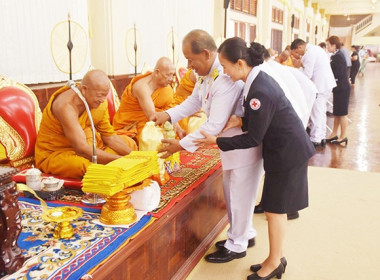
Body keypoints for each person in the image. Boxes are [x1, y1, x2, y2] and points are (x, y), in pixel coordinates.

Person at [195, 38, 315, 280]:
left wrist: (216, 142)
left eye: (226, 67)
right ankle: (274, 258)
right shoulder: (255, 80)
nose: (225, 73)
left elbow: (253, 138)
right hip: (285, 149)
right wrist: (242, 120)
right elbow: (263, 117)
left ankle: (275, 263)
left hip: (287, 153)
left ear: (240, 63)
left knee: (275, 211)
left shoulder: (258, 88)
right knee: (273, 209)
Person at [154, 30, 264, 263]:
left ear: (205, 53)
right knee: (234, 191)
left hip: (242, 142)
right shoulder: (207, 73)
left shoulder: (225, 76)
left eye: (190, 59)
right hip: (231, 143)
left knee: (239, 192)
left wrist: (180, 145)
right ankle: (243, 234)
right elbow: (195, 100)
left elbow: (214, 125)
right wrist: (168, 114)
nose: (188, 64)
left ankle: (238, 245)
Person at [35, 69, 138, 179]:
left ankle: (111, 167)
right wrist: (121, 160)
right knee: (87, 167)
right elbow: (81, 149)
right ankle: (111, 169)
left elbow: (110, 137)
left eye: (105, 95)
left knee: (128, 143)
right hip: (58, 154)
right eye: (100, 95)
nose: (103, 100)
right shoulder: (65, 106)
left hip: (92, 147)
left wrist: (134, 156)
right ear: (84, 89)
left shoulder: (99, 103)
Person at [112, 57, 176, 144]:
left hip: (156, 117)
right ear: (157, 72)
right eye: (168, 75)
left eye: (173, 75)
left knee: (181, 120)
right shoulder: (142, 87)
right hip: (132, 124)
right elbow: (152, 117)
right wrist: (172, 118)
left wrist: (175, 119)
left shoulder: (164, 86)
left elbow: (170, 107)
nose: (171, 79)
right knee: (154, 137)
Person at [290, 39, 336, 148]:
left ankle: (316, 139)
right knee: (321, 111)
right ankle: (321, 136)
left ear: (300, 47)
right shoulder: (316, 49)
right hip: (326, 84)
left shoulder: (309, 53)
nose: (297, 55)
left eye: (296, 52)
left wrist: (296, 70)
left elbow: (307, 74)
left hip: (320, 85)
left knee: (317, 112)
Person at [325, 36, 351, 146]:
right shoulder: (336, 55)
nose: (327, 47)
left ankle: (343, 136)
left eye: (328, 45)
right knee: (337, 113)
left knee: (342, 113)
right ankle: (334, 133)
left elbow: (339, 74)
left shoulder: (338, 57)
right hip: (338, 87)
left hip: (342, 87)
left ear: (334, 45)